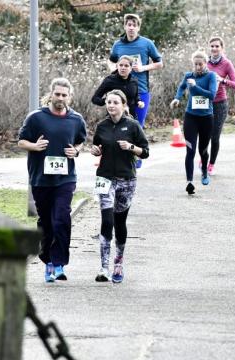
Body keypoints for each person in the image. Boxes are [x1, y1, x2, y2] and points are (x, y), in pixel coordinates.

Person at [18, 78, 87, 282]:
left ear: (70, 97)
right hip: (41, 178)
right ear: (51, 94)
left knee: (61, 218)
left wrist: (76, 150)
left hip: (66, 178)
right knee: (46, 222)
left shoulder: (76, 119)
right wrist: (34, 146)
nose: (60, 98)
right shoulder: (36, 118)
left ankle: (59, 264)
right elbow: (21, 141)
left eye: (64, 95)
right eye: (57, 94)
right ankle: (47, 260)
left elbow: (81, 141)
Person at [89, 90, 149, 283]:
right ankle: (103, 268)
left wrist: (131, 147)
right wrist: (95, 150)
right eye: (108, 102)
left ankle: (118, 263)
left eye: (115, 102)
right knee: (106, 221)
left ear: (124, 105)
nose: (111, 105)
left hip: (126, 179)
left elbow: (145, 152)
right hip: (105, 177)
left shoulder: (133, 126)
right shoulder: (102, 126)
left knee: (119, 221)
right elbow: (97, 147)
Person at [170, 50, 218, 195]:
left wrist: (195, 87)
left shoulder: (211, 76)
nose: (197, 67)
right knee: (190, 150)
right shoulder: (188, 76)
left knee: (202, 150)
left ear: (205, 64)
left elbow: (211, 95)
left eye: (200, 64)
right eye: (195, 64)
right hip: (191, 117)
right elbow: (181, 87)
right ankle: (189, 181)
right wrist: (177, 98)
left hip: (206, 118)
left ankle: (204, 170)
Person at [109, 13, 163, 128]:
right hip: (120, 91)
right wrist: (114, 69)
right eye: (129, 25)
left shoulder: (147, 43)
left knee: (137, 126)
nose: (131, 27)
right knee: (120, 126)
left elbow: (159, 63)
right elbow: (111, 61)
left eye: (134, 25)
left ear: (138, 28)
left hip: (141, 90)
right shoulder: (118, 45)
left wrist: (143, 68)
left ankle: (138, 146)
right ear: (125, 27)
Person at [204, 36, 235, 176]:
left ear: (222, 48)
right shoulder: (204, 62)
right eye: (212, 46)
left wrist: (222, 80)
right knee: (204, 133)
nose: (214, 49)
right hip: (205, 102)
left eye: (217, 46)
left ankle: (211, 164)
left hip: (220, 103)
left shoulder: (226, 64)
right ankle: (203, 158)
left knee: (215, 136)